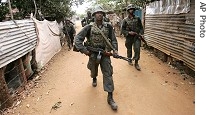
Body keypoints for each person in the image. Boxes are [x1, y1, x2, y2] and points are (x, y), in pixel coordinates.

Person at [74, 5, 119, 110]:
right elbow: (78, 39)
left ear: (103, 14)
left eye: (101, 12)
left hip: (104, 53)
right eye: (97, 13)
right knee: (93, 70)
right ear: (94, 15)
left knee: (108, 73)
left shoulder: (108, 26)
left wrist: (115, 50)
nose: (99, 14)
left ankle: (110, 97)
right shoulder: (89, 27)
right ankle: (94, 77)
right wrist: (85, 51)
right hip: (93, 54)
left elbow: (113, 39)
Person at [121, 4, 144, 71]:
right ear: (128, 10)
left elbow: (141, 28)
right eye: (130, 9)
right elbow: (122, 30)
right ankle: (129, 59)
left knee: (137, 49)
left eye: (132, 9)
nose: (132, 10)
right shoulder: (125, 20)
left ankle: (136, 62)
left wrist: (141, 34)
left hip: (136, 37)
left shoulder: (137, 18)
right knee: (129, 49)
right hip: (129, 37)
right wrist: (128, 33)